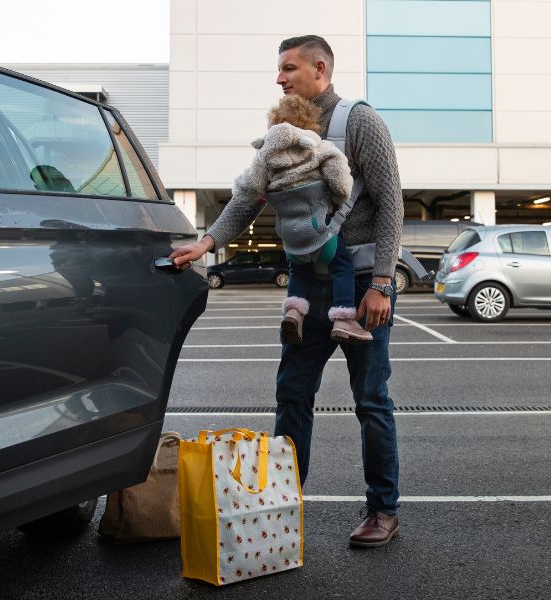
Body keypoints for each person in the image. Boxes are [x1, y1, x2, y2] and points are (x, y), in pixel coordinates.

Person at [169, 34, 404, 547]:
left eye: (288, 68)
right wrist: (207, 242)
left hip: (362, 286)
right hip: (307, 288)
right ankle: (282, 501)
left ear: (320, 68)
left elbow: (391, 204)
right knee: (292, 396)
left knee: (370, 400)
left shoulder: (359, 122)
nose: (279, 78)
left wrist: (383, 283)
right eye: (279, 69)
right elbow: (246, 198)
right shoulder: (283, 127)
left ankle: (382, 507)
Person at [235, 93, 372, 345]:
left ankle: (294, 313)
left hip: (290, 237)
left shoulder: (265, 157)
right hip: (320, 232)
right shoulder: (319, 149)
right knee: (342, 267)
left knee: (298, 271)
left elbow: (248, 188)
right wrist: (337, 196)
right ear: (311, 124)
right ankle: (343, 317)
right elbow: (342, 185)